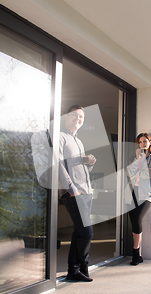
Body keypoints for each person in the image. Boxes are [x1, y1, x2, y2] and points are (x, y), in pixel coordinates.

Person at [59, 105, 96, 282]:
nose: (78, 119)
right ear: (66, 117)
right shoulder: (60, 137)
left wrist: (89, 163)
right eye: (75, 115)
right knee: (87, 232)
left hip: (86, 192)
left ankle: (73, 270)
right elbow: (58, 165)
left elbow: (76, 167)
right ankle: (83, 266)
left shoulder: (78, 141)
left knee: (79, 232)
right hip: (74, 193)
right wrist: (72, 189)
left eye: (81, 116)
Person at [126, 133, 151, 265]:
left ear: (150, 143)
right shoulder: (134, 158)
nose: (143, 143)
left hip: (146, 195)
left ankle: (135, 252)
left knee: (137, 219)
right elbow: (128, 172)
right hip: (132, 193)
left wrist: (137, 173)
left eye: (145, 141)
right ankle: (138, 255)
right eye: (140, 142)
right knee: (133, 223)